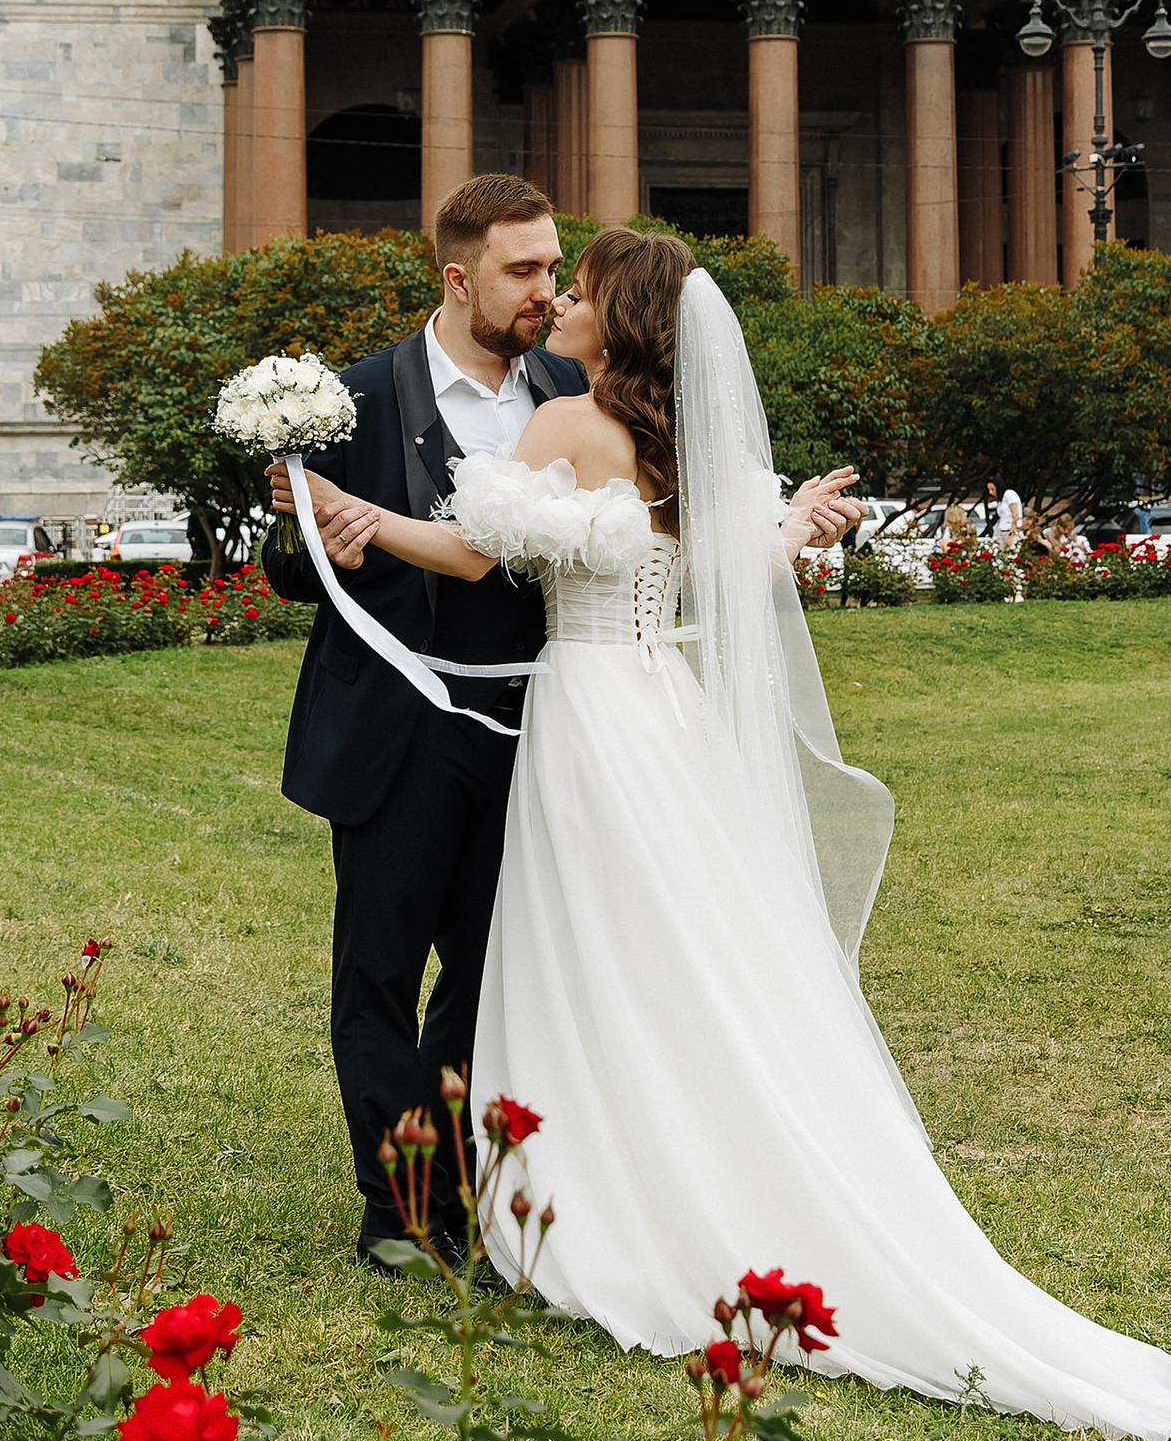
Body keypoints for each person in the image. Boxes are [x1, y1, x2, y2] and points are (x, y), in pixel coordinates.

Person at [303, 230, 1171, 1435]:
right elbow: (738, 571)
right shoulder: (680, 445)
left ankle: (595, 1199)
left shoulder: (562, 427)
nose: (564, 302)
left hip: (585, 717)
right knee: (666, 955)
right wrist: (792, 522)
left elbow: (475, 554)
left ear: (616, 317)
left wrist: (361, 516)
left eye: (578, 289)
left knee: (589, 954)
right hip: (660, 717)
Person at [264, 181, 862, 1266]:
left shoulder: (577, 393)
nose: (547, 291)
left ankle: (466, 1187)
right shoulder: (352, 399)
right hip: (401, 731)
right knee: (379, 975)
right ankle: (401, 1217)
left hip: (546, 728)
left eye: (560, 275)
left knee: (505, 972)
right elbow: (287, 566)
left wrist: (783, 528)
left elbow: (607, 548)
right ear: (459, 276)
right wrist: (318, 528)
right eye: (526, 272)